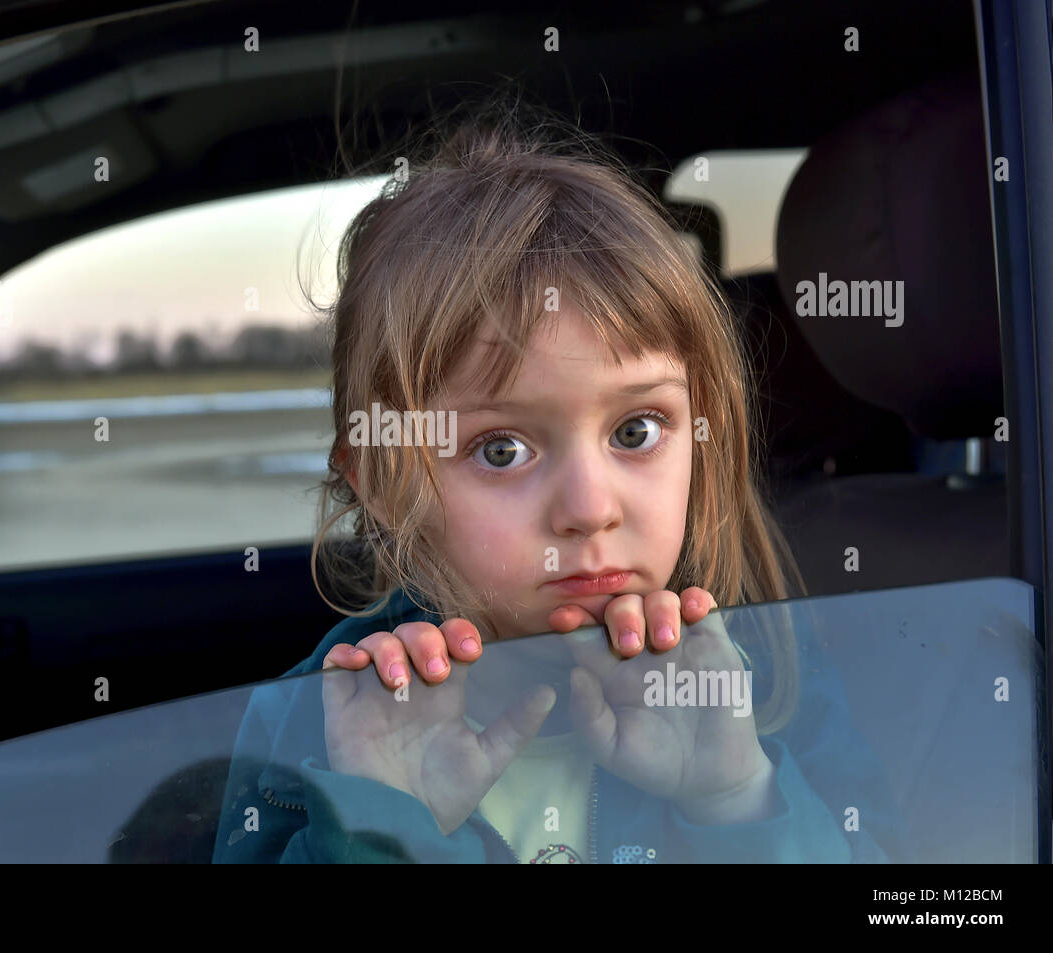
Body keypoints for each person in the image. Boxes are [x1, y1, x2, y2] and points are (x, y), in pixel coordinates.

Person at [211, 111, 903, 864]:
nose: (589, 508)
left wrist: (736, 799)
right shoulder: (321, 721)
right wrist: (384, 829)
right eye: (502, 449)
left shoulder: (760, 678)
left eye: (636, 431)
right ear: (378, 479)